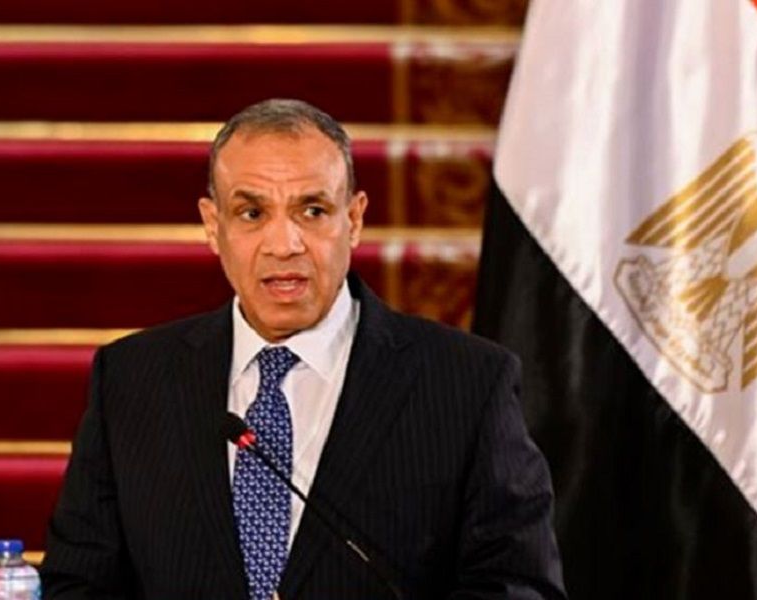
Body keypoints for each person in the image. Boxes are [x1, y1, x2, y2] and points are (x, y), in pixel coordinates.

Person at [40, 98, 565, 599]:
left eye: (312, 210)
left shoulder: (466, 384)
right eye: (251, 213)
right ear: (212, 225)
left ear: (353, 220)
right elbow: (78, 585)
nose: (284, 244)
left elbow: (517, 587)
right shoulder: (131, 379)